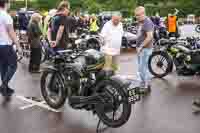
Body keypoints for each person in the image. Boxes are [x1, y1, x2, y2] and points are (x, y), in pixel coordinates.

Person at [0, 0, 19, 97]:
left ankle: (5, 87)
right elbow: (11, 32)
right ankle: (3, 85)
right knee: (13, 65)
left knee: (3, 66)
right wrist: (18, 46)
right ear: (6, 3)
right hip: (6, 45)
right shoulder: (6, 16)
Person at [135, 6, 154, 95]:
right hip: (141, 49)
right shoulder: (141, 22)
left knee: (143, 68)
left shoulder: (147, 22)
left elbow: (150, 36)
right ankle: (144, 84)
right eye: (136, 15)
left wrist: (141, 46)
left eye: (138, 15)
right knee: (141, 68)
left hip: (145, 49)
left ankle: (146, 86)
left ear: (143, 13)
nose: (137, 17)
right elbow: (140, 34)